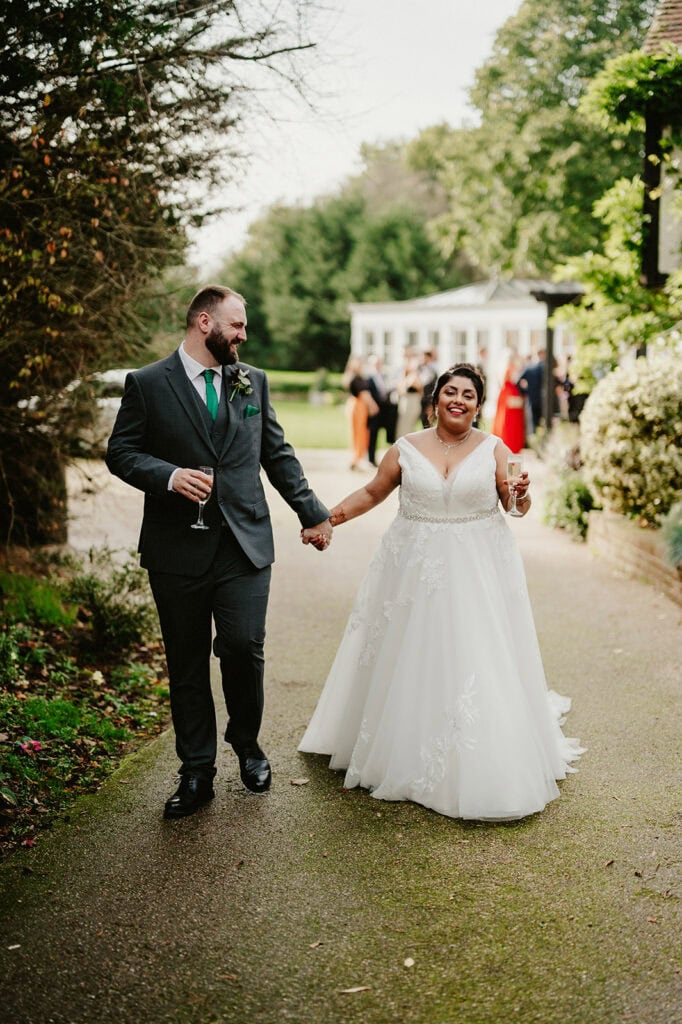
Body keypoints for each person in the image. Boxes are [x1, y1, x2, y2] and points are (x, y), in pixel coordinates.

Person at [299, 363, 583, 821]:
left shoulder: (495, 448)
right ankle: (401, 746)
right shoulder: (405, 448)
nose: (459, 400)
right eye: (450, 391)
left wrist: (521, 493)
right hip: (412, 569)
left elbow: (515, 507)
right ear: (435, 399)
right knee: (409, 652)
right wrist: (326, 518)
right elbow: (373, 493)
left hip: (477, 570)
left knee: (475, 655)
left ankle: (480, 757)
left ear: (478, 404)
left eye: (468, 394)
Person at [106, 285, 332, 819]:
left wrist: (312, 512)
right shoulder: (147, 384)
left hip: (245, 543)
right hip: (175, 548)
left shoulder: (251, 381)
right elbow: (121, 452)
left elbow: (276, 453)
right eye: (237, 325)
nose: (243, 336)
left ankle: (247, 744)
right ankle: (196, 769)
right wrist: (167, 476)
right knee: (185, 662)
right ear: (204, 322)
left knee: (242, 646)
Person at [343, 355, 378, 470]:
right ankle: (356, 459)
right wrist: (373, 406)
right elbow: (364, 394)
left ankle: (356, 458)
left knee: (358, 432)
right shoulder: (357, 378)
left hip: (355, 405)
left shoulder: (354, 376)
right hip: (358, 406)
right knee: (359, 432)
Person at [492, 357, 525, 453]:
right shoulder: (509, 370)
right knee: (509, 425)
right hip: (510, 399)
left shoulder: (506, 370)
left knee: (507, 423)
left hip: (507, 397)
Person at [518, 349, 545, 434]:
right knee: (542, 421)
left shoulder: (529, 368)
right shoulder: (544, 367)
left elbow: (517, 381)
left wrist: (525, 392)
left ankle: (535, 437)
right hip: (543, 398)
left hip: (532, 398)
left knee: (534, 421)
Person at [418, 349, 439, 428]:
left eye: (424, 358)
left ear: (429, 358)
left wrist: (431, 404)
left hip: (427, 401)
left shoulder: (433, 372)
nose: (423, 360)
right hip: (417, 401)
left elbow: (434, 389)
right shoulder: (417, 369)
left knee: (427, 423)